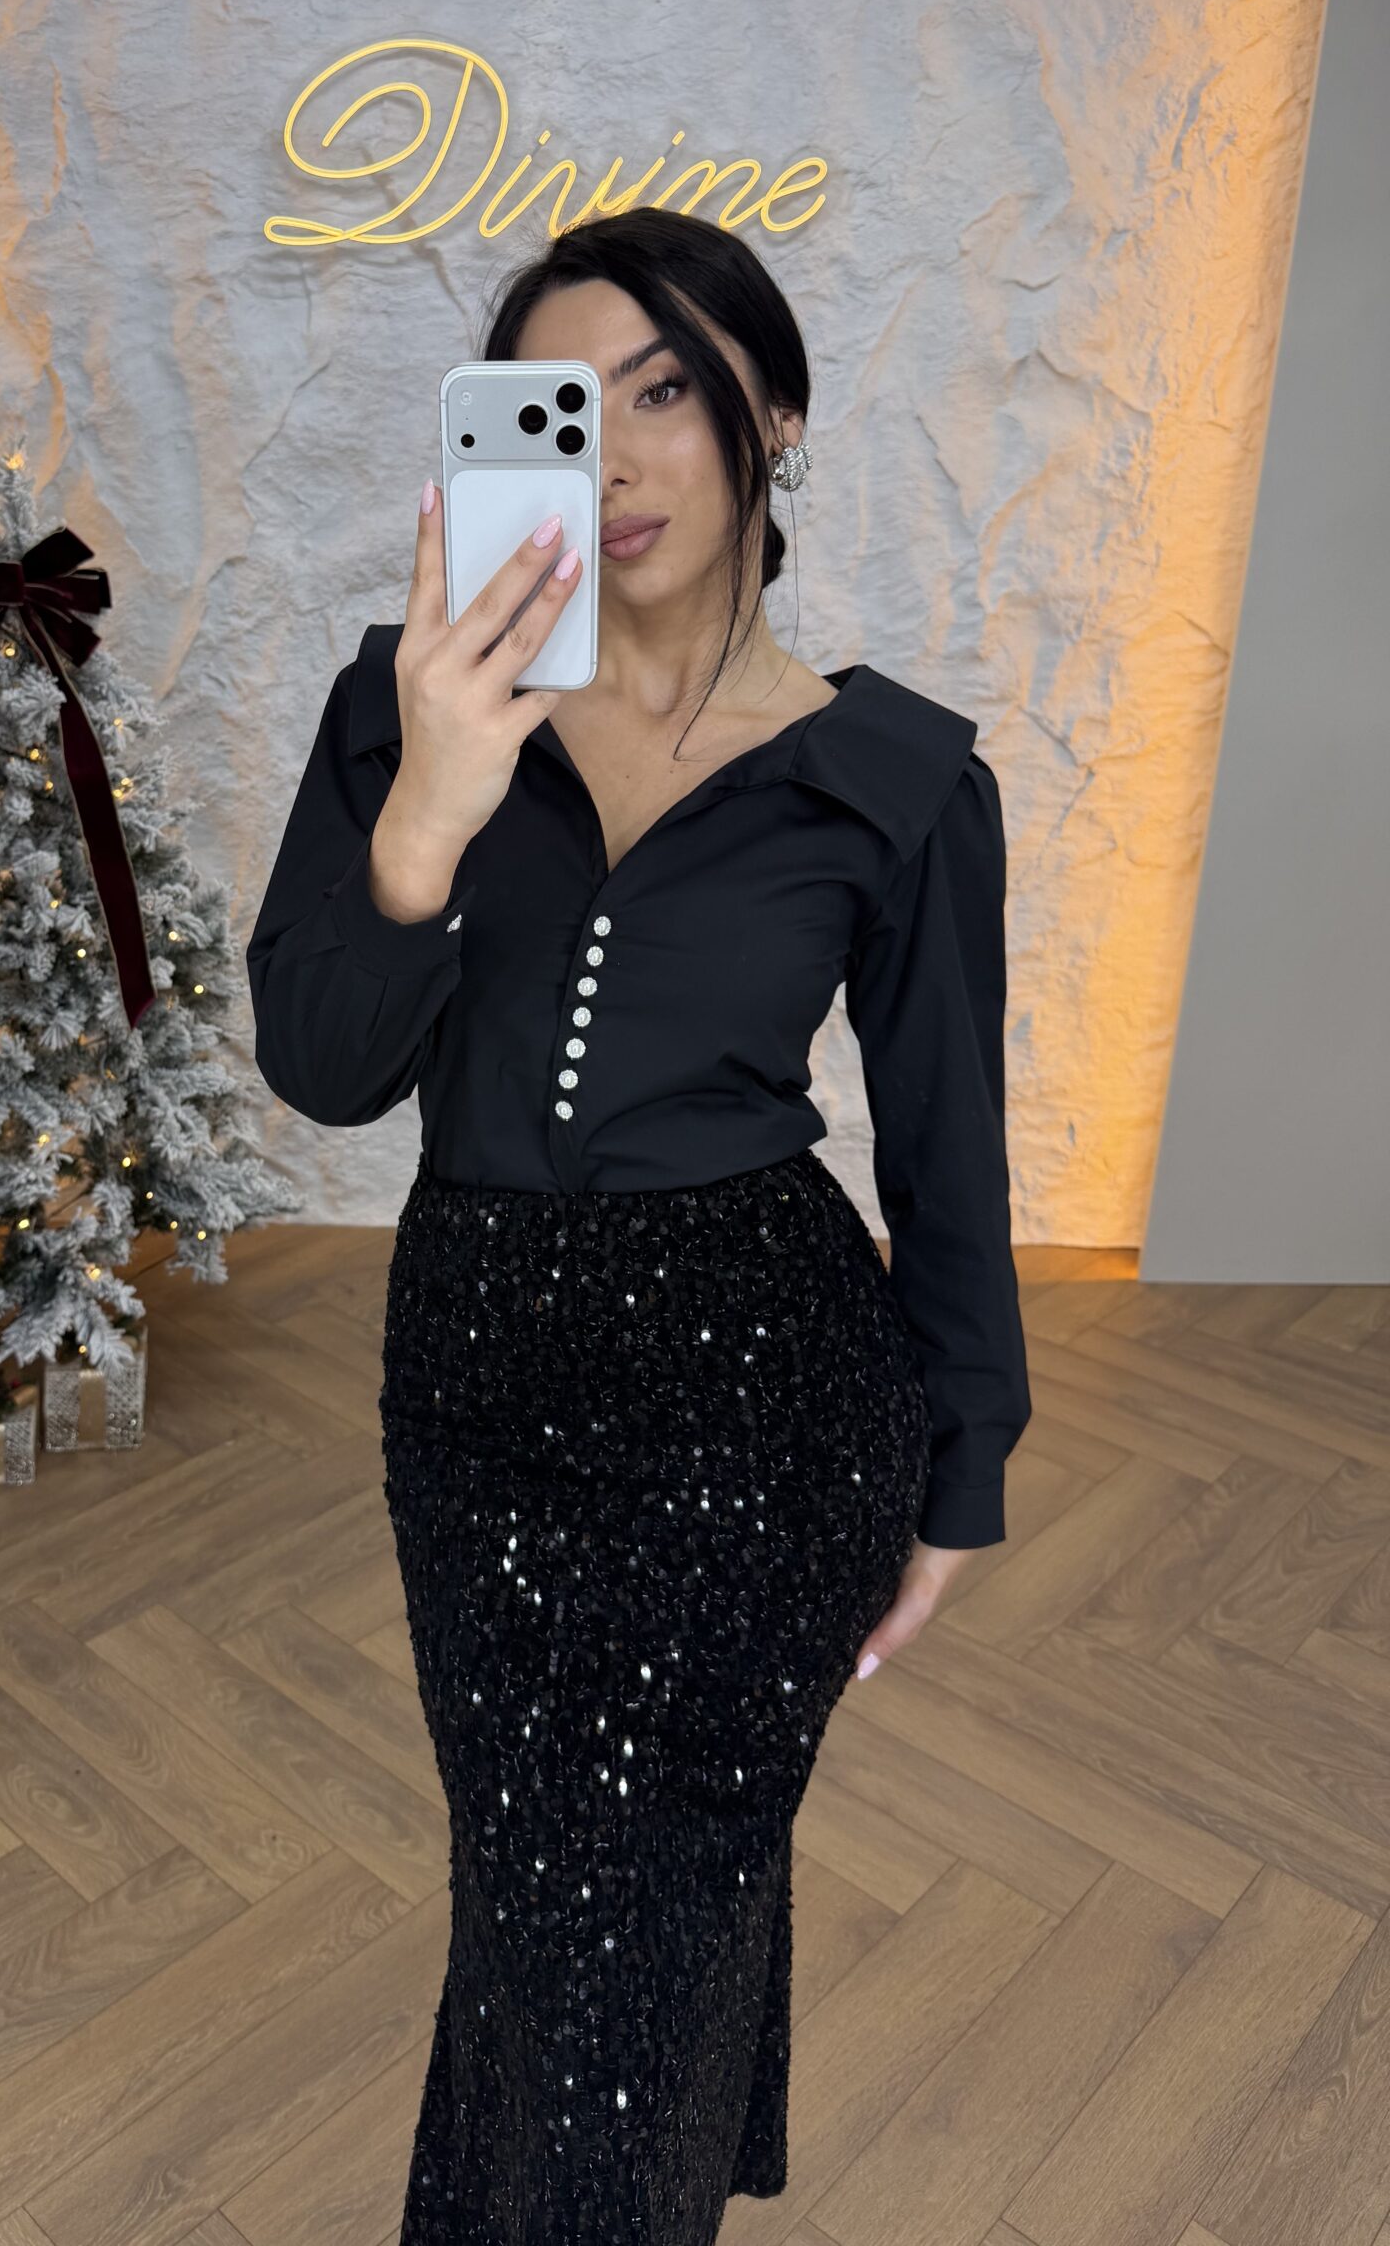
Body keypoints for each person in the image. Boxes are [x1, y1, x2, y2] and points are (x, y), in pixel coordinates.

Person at [244, 207, 1030, 2244]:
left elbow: (948, 1152)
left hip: (770, 1392)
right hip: (478, 1379)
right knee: (533, 1891)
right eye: (558, 411)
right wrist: (433, 801)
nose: (613, 458)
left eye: (666, 390)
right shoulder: (400, 708)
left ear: (777, 413)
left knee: (660, 1887)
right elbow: (321, 1067)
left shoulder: (895, 777)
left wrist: (965, 1468)